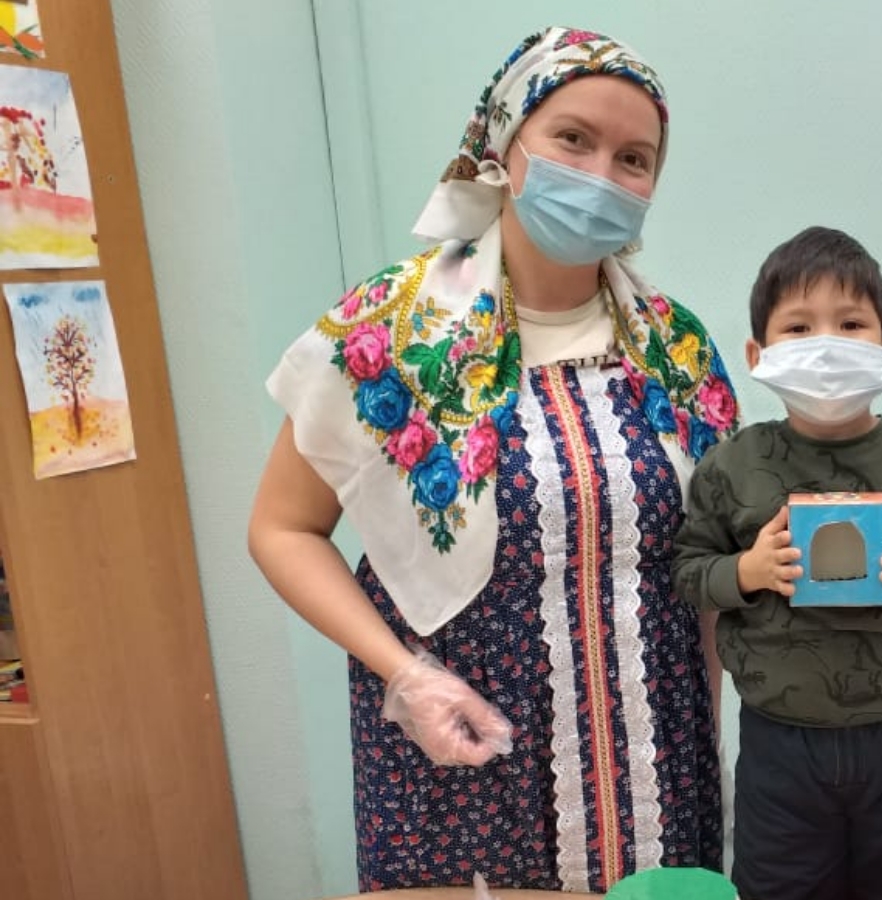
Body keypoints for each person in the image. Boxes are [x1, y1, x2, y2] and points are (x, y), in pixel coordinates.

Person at [246, 27, 739, 893]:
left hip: (656, 769)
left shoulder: (676, 349)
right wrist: (407, 677)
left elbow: (708, 567)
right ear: (504, 146)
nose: (601, 175)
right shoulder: (391, 330)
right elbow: (282, 529)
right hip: (462, 763)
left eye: (633, 158)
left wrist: (719, 732)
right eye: (573, 138)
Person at [672, 226, 882, 900]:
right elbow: (687, 572)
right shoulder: (731, 465)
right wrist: (747, 572)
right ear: (757, 353)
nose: (825, 344)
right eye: (798, 327)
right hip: (781, 739)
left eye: (851, 324)